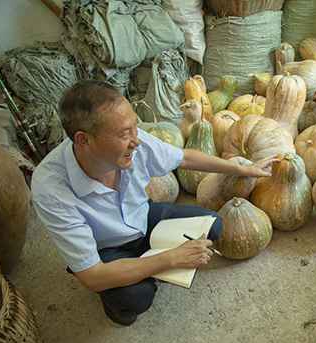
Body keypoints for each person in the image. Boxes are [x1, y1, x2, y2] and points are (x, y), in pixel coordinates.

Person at [31, 80, 273, 326]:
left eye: (135, 126)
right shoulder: (50, 188)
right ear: (83, 140)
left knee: (213, 224)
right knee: (136, 298)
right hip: (108, 249)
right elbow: (91, 276)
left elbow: (185, 158)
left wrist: (240, 166)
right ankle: (120, 298)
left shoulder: (134, 142)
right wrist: (170, 259)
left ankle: (143, 263)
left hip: (143, 217)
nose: (136, 140)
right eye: (124, 134)